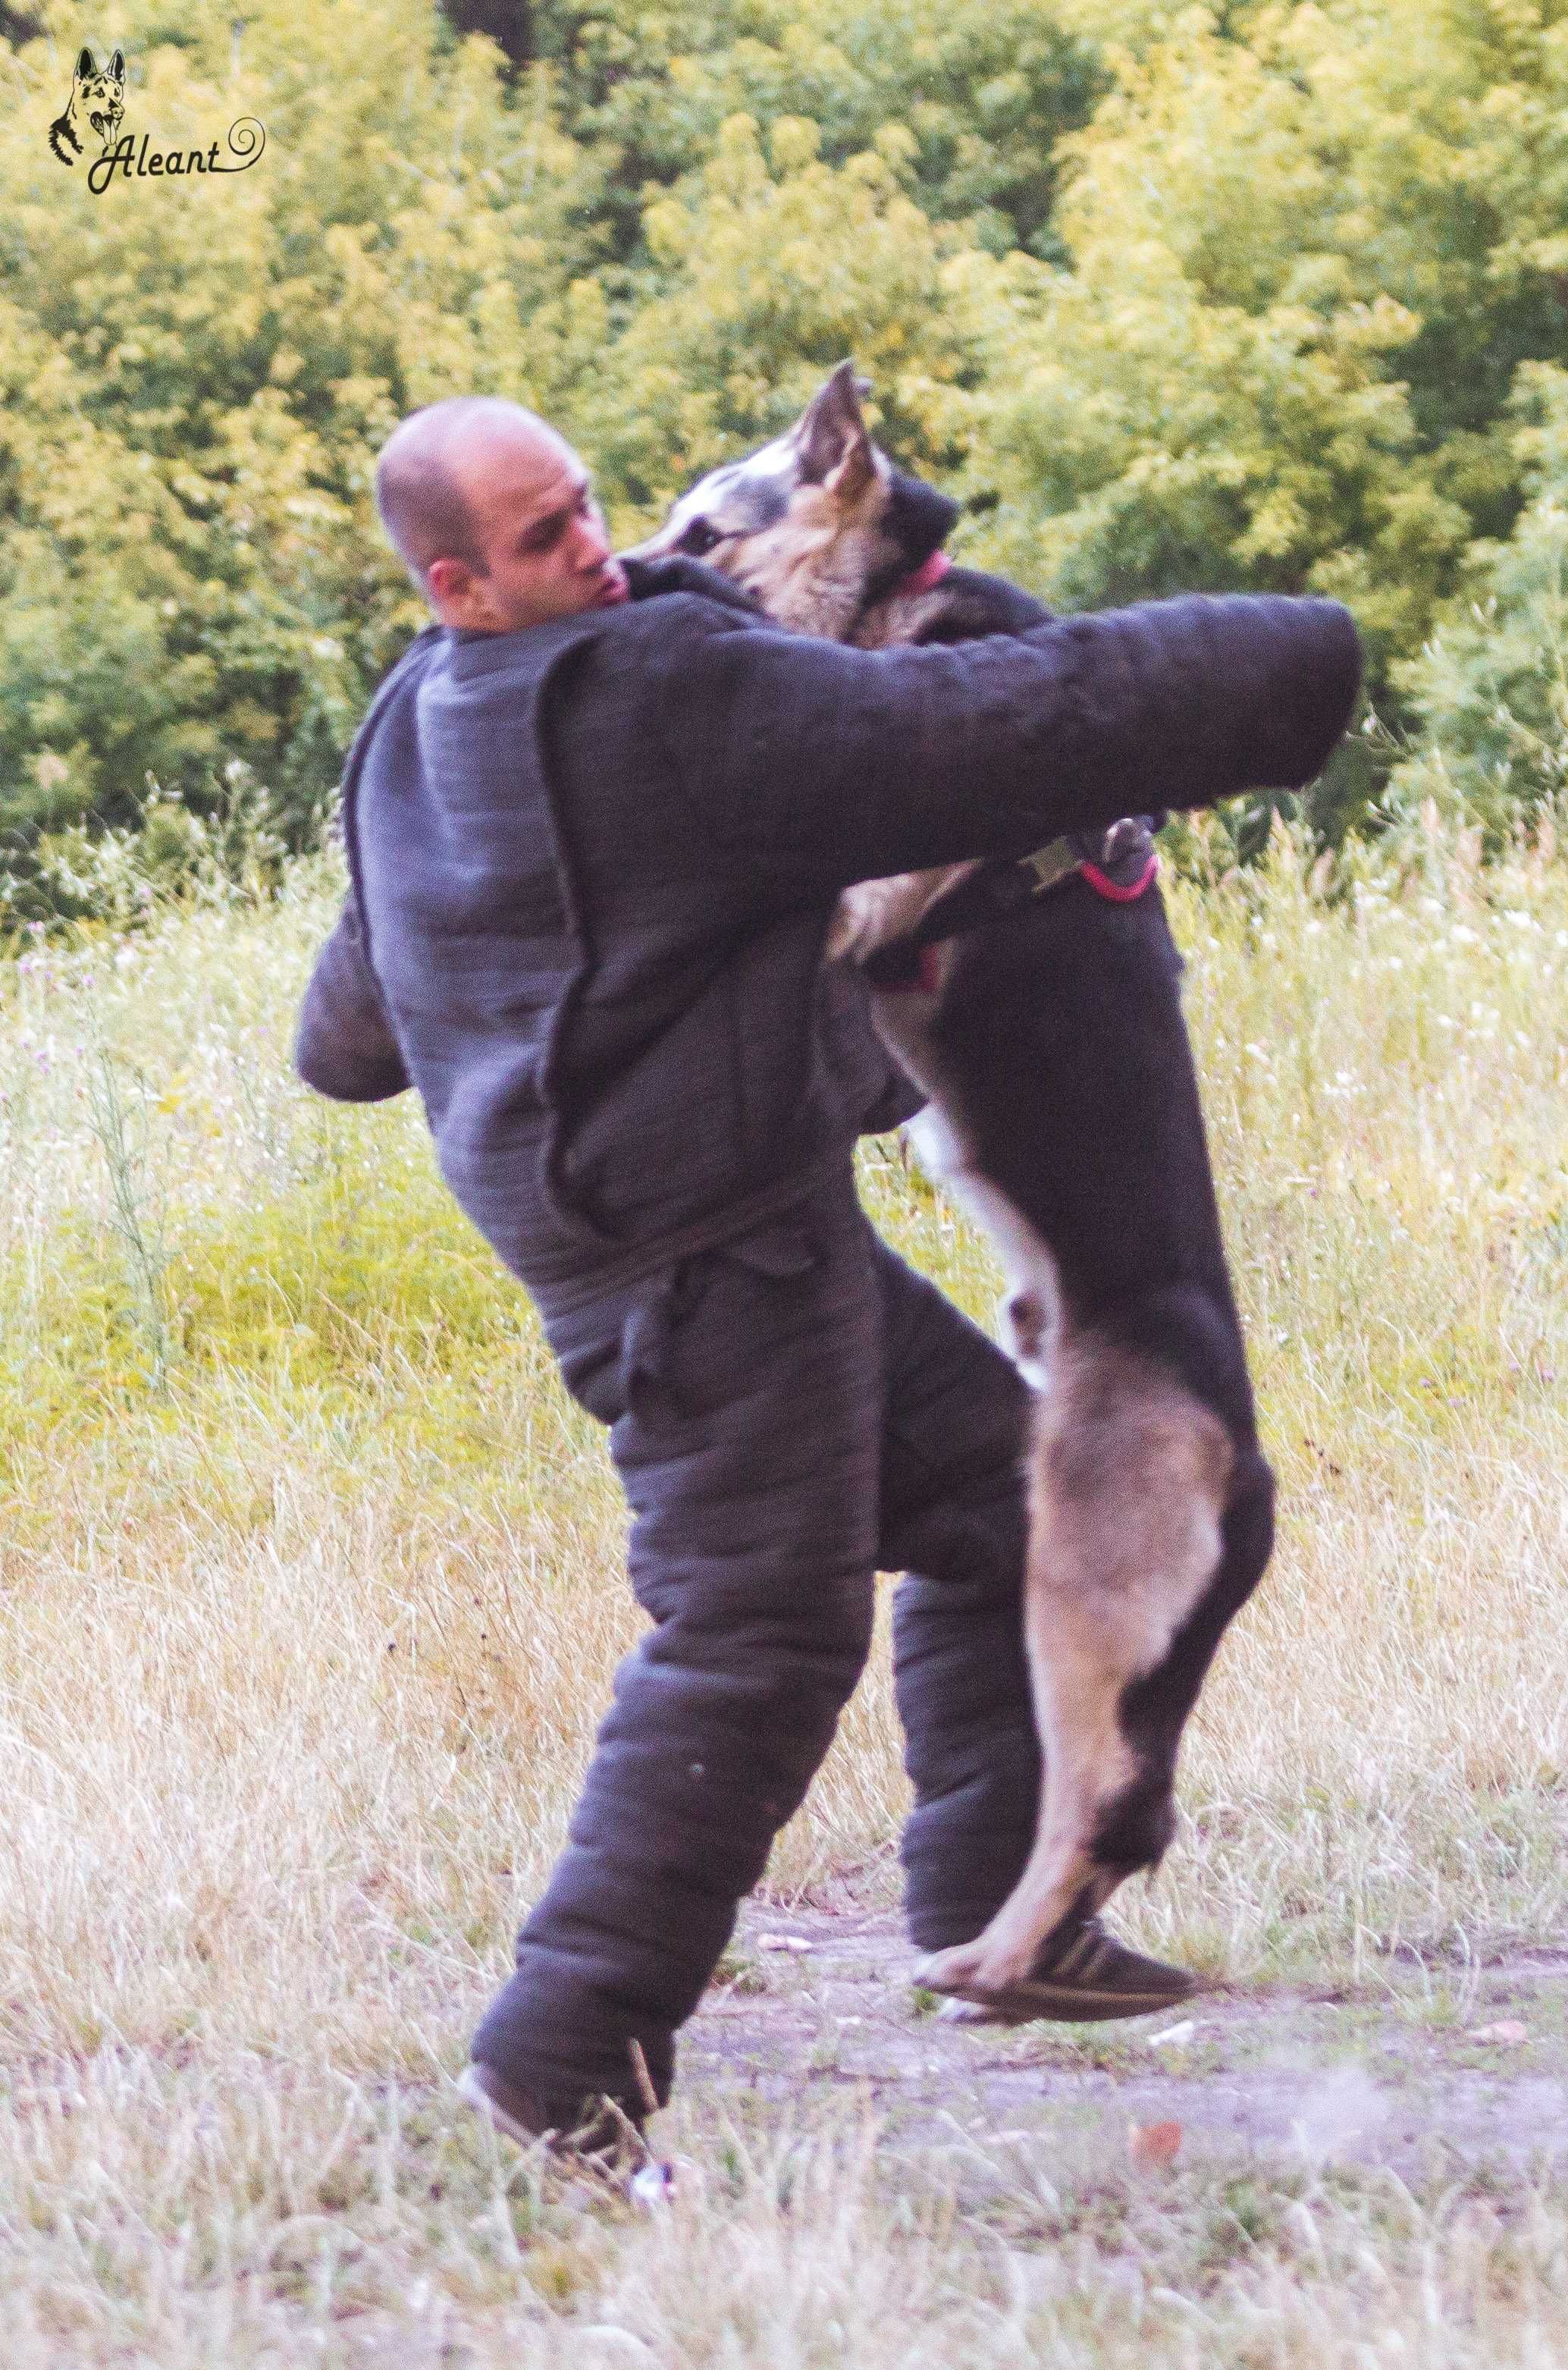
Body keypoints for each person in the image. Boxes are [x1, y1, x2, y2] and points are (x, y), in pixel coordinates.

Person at [294, 394, 1363, 2158]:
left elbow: (342, 1040)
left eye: (589, 503)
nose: (606, 553)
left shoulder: (419, 717)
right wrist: (1297, 658)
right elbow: (990, 718)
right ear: (457, 583)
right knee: (758, 1631)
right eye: (549, 541)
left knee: (999, 1503)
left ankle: (1004, 1908)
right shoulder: (666, 702)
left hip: (667, 1229)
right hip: (710, 1256)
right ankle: (559, 2069)